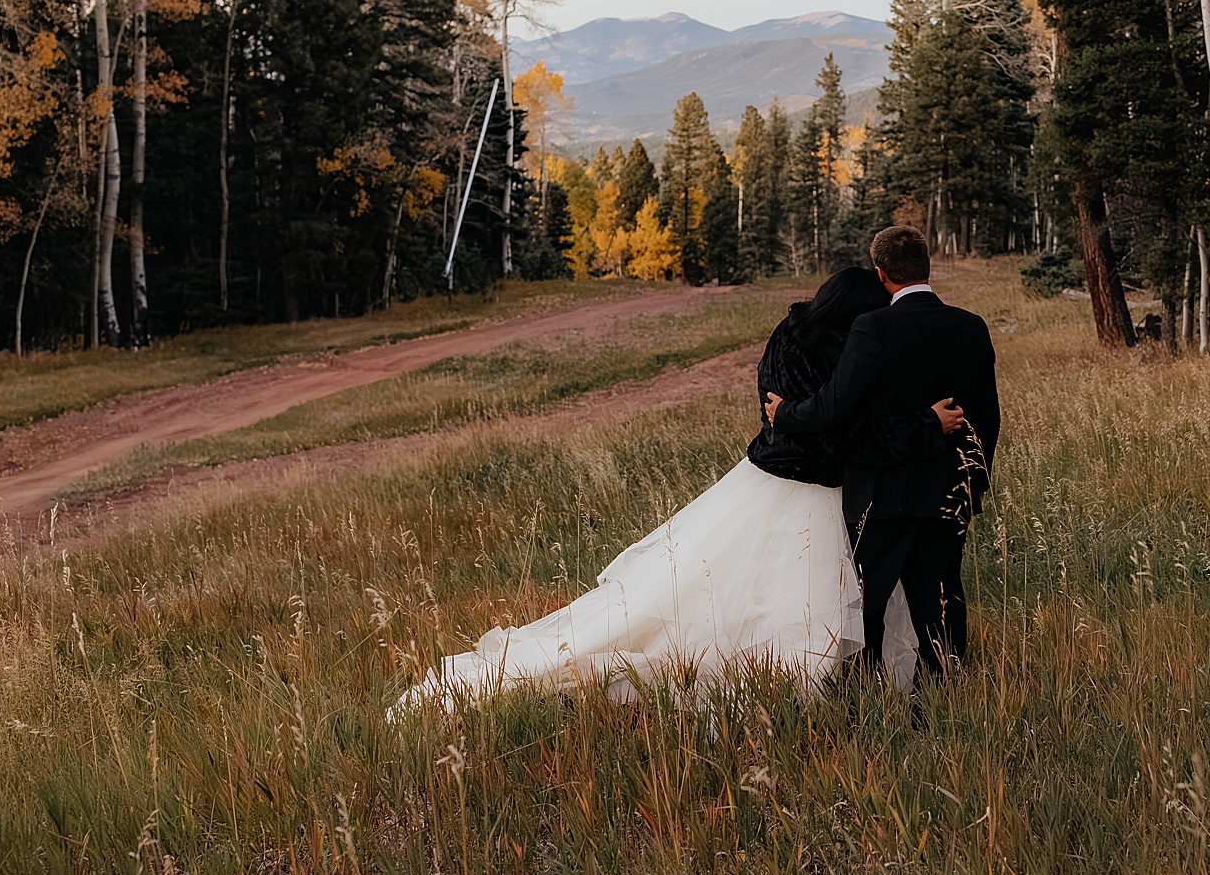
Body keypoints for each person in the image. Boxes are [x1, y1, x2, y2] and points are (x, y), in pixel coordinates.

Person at [398, 267, 960, 710]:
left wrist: (791, 417)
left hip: (761, 483)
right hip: (813, 495)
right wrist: (924, 426)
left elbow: (795, 416)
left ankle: (806, 682)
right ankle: (800, 689)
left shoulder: (788, 335)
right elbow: (847, 436)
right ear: (862, 314)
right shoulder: (852, 355)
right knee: (795, 600)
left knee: (730, 592)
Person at [767, 226, 1000, 682]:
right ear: (927, 266)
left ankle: (859, 706)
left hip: (880, 495)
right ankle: (940, 704)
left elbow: (835, 405)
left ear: (881, 274)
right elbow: (986, 419)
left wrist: (786, 413)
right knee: (942, 604)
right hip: (948, 491)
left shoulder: (872, 326)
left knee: (866, 608)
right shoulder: (971, 326)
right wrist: (973, 483)